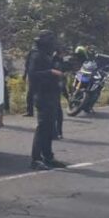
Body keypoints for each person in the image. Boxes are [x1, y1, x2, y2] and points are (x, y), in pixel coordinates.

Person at [28, 30, 67, 171]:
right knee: (43, 127)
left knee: (50, 128)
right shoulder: (36, 55)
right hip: (42, 95)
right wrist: (51, 72)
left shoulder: (48, 55)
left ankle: (48, 156)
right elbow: (33, 75)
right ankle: (36, 159)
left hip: (52, 94)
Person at [22, 45, 36, 116]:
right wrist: (25, 74)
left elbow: (27, 64)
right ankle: (30, 111)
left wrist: (25, 75)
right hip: (33, 76)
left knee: (31, 94)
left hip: (35, 76)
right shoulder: (32, 52)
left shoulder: (33, 52)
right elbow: (27, 64)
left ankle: (30, 111)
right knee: (30, 94)